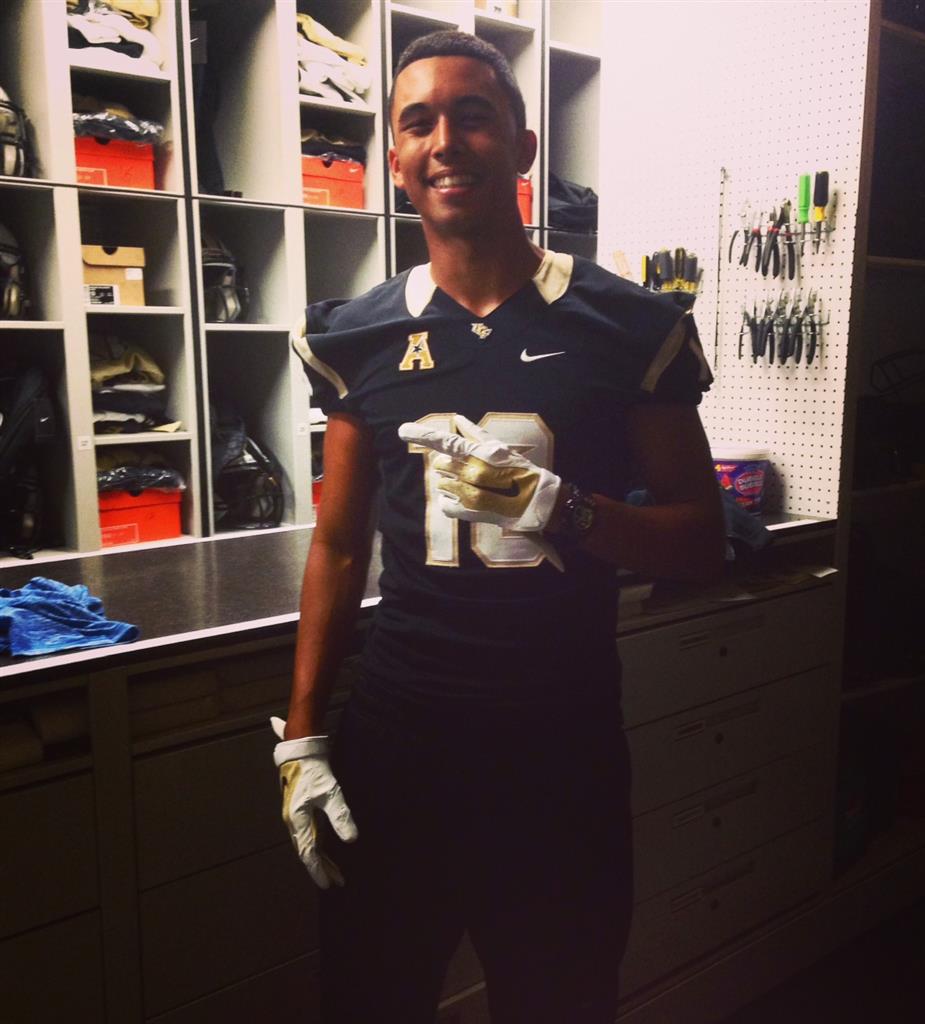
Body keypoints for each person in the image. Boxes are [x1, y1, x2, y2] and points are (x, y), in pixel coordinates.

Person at [272, 29, 725, 1024]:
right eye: (417, 121)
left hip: (557, 740)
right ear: (393, 157)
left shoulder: (627, 326)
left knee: (559, 1003)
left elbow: (702, 539)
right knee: (369, 998)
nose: (445, 140)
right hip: (399, 740)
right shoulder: (358, 335)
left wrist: (570, 510)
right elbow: (340, 545)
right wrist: (303, 735)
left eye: (472, 115)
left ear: (523, 148)